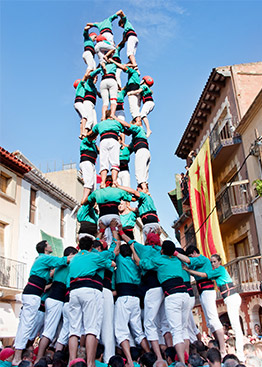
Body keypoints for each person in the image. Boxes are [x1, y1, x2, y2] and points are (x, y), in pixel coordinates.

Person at [13, 241, 73, 365]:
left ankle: (17, 354)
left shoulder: (41, 260)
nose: (51, 245)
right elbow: (61, 261)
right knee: (27, 325)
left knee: (27, 324)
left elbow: (51, 273)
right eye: (48, 244)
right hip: (33, 294)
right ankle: (17, 356)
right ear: (45, 248)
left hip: (33, 293)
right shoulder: (45, 258)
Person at [131, 240, 189, 364]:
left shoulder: (160, 260)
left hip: (172, 295)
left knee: (175, 331)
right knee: (183, 329)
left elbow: (141, 263)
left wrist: (132, 249)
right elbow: (184, 259)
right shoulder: (177, 260)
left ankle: (180, 363)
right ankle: (184, 358)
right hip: (185, 295)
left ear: (162, 251)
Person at [120, 230, 171, 360]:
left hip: (152, 289)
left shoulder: (144, 249)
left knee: (149, 323)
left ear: (147, 241)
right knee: (163, 323)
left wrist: (120, 230)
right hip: (164, 289)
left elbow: (129, 241)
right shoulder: (161, 252)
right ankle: (169, 354)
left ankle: (158, 357)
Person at [68, 236, 119, 366]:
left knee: (74, 329)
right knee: (91, 328)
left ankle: (72, 361)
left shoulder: (74, 259)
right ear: (92, 247)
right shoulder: (94, 256)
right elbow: (111, 263)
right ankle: (90, 363)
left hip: (73, 292)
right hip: (89, 290)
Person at [183, 253, 244, 361]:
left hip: (232, 297)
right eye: (211, 262)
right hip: (229, 298)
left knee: (236, 327)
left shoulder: (220, 269)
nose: (212, 264)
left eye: (214, 261)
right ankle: (238, 351)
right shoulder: (216, 271)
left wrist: (188, 270)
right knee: (235, 326)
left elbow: (203, 275)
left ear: (219, 262)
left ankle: (240, 353)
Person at [175, 246, 226, 357]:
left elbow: (189, 263)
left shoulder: (201, 259)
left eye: (190, 256)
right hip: (203, 291)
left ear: (194, 252)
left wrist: (175, 254)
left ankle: (222, 349)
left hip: (207, 290)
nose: (190, 258)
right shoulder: (198, 263)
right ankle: (217, 345)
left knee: (213, 319)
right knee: (209, 321)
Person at [111, 227, 150, 367]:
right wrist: (133, 250)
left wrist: (114, 230)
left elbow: (116, 244)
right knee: (138, 331)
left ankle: (129, 360)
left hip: (124, 298)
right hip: (135, 300)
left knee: (121, 331)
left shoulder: (120, 261)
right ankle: (149, 354)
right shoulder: (136, 264)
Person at [35, 247, 78, 362]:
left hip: (55, 299)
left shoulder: (59, 265)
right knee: (49, 331)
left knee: (56, 331)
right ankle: (39, 358)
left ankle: (54, 359)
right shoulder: (65, 264)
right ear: (70, 255)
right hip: (56, 300)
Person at [88, 110, 130, 187]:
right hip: (113, 140)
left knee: (103, 163)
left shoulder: (100, 124)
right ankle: (114, 181)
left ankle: (103, 182)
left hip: (103, 141)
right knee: (114, 162)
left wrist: (85, 134)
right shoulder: (116, 123)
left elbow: (90, 134)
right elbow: (127, 132)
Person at [87, 176, 132, 244]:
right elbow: (131, 198)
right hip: (114, 216)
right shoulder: (118, 191)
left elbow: (89, 200)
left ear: (104, 182)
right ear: (113, 182)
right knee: (115, 238)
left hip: (102, 217)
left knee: (102, 241)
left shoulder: (97, 192)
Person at [108, 59, 141, 123]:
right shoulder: (132, 76)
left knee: (134, 109)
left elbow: (123, 67)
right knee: (135, 109)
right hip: (115, 110)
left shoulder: (133, 72)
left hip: (132, 92)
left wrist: (113, 62)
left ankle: (138, 123)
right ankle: (138, 122)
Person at [79, 137, 99, 204]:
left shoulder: (94, 145)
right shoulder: (86, 139)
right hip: (86, 162)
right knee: (89, 182)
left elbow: (99, 151)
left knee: (93, 186)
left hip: (92, 164)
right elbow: (89, 138)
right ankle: (84, 200)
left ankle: (91, 202)